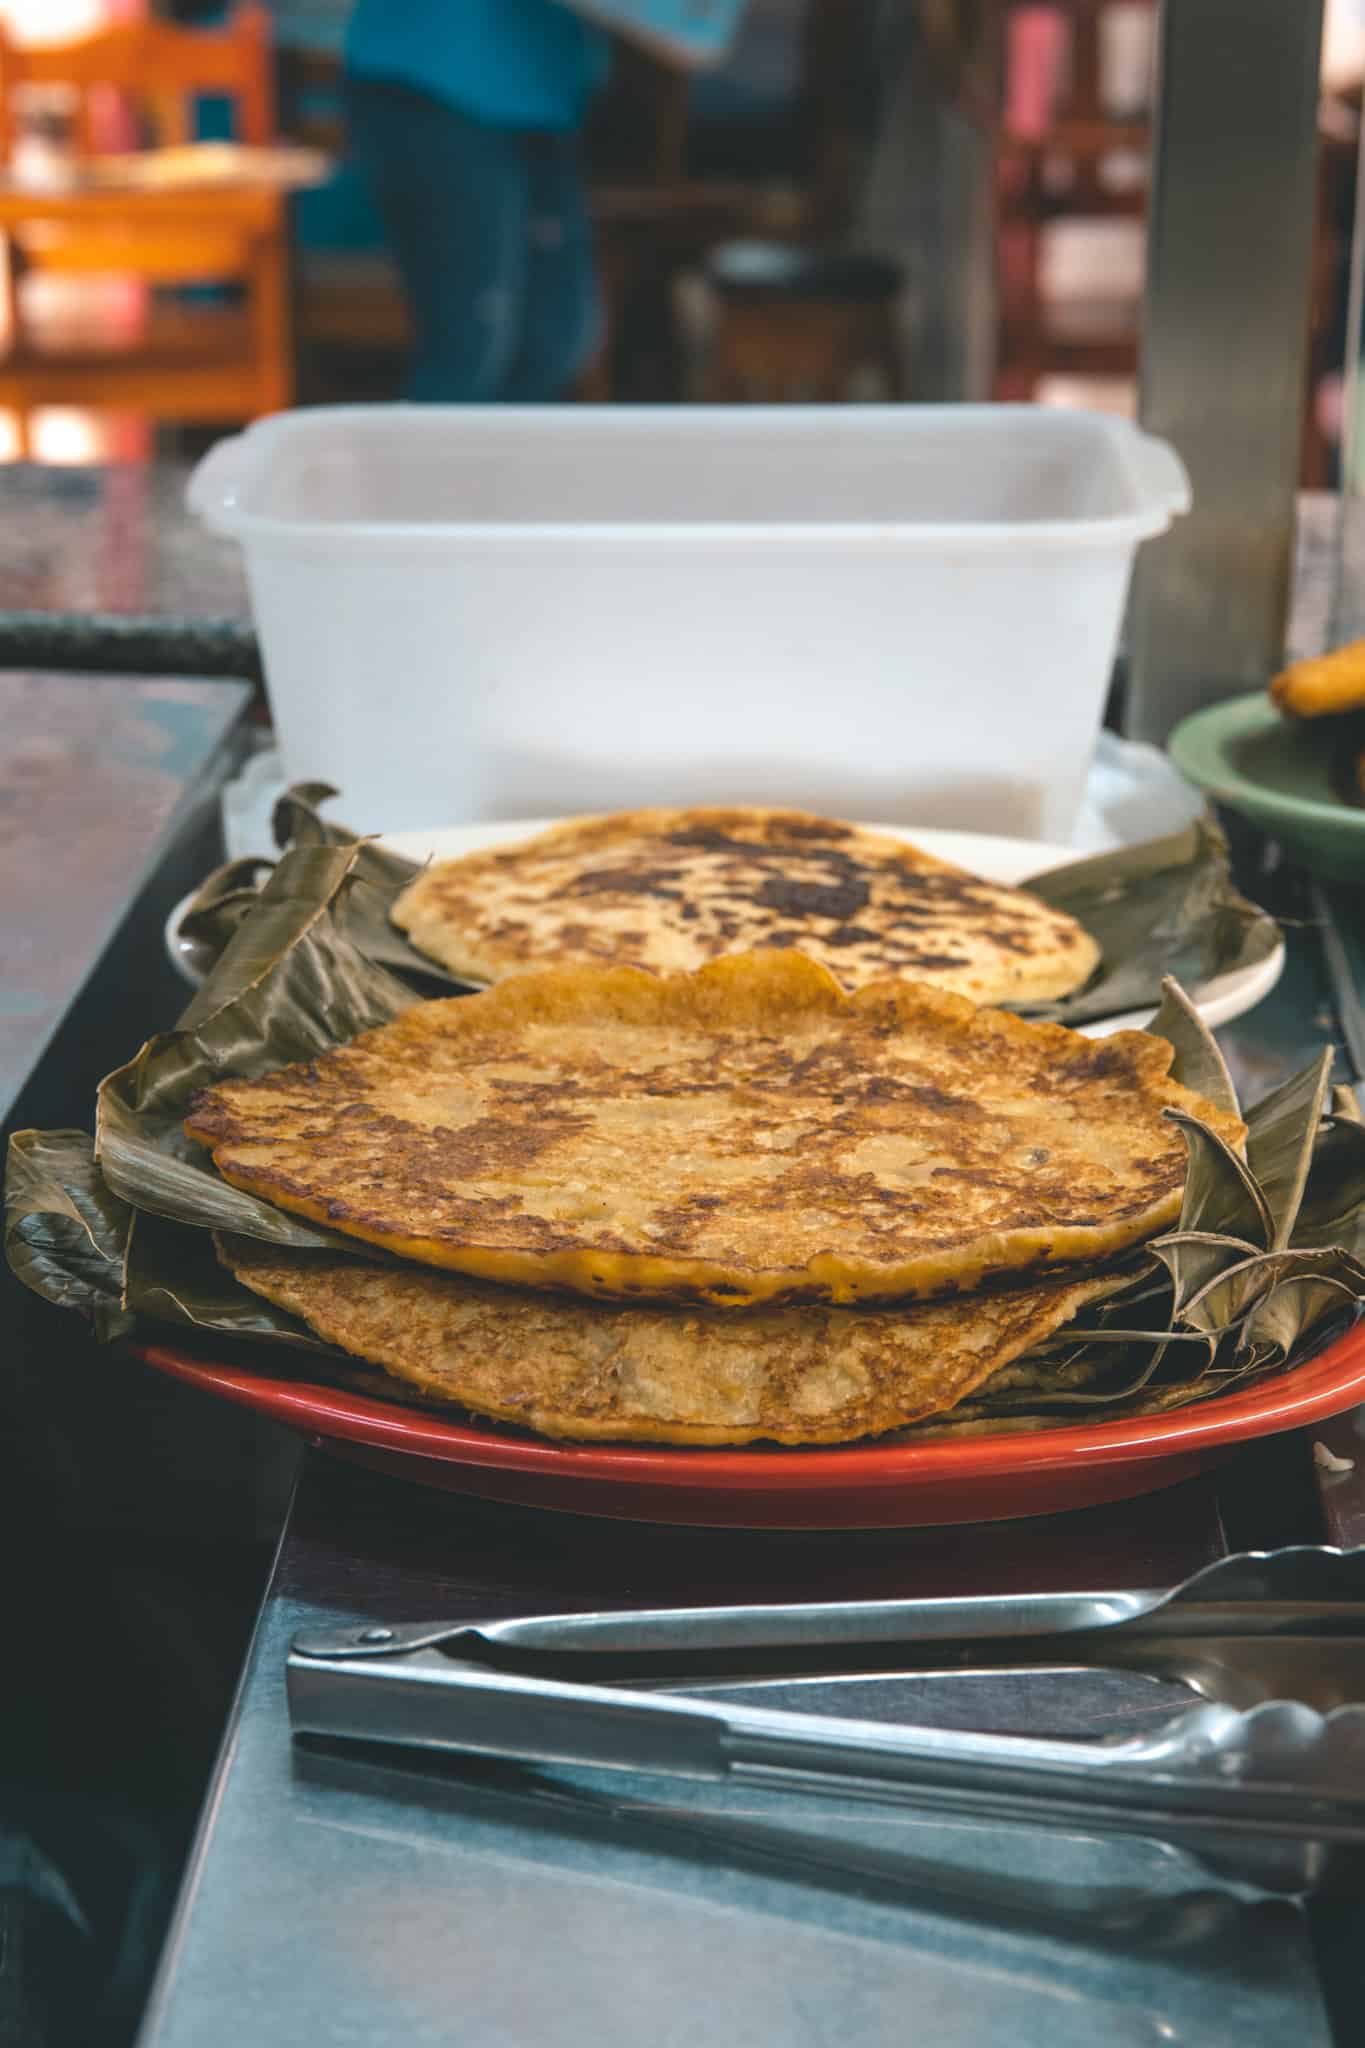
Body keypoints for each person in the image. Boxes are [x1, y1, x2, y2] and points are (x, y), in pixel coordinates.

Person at [343, 0, 610, 401]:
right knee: (470, 347)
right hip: (436, 74)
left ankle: (510, 466)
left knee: (554, 339)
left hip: (539, 89)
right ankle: (429, 462)